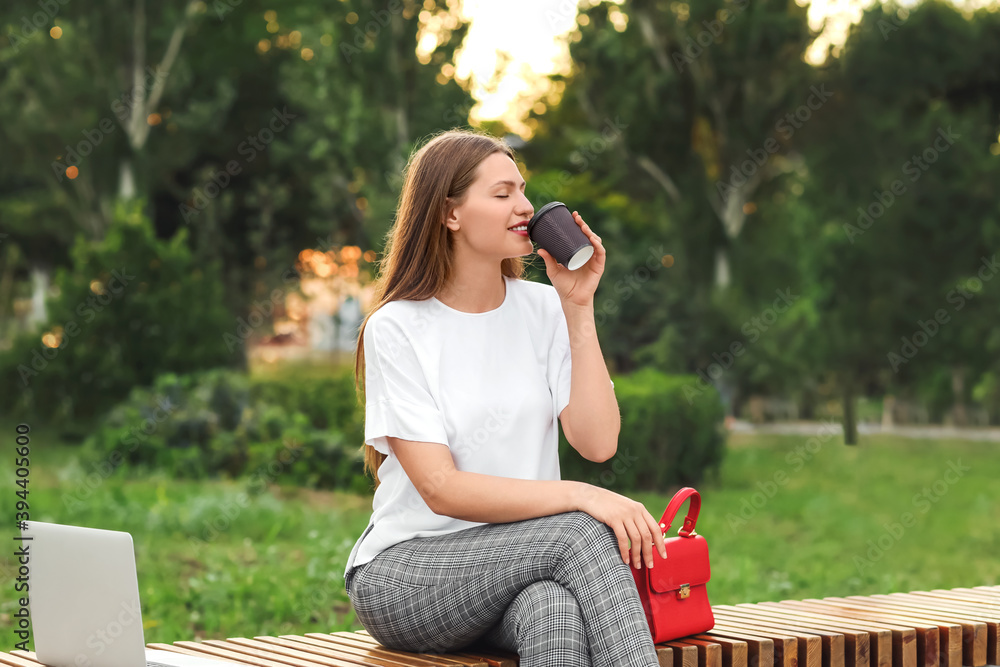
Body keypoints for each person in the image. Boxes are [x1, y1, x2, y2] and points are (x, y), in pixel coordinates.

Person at [343, 127, 667, 666]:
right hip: (407, 575)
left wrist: (579, 308)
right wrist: (584, 497)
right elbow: (441, 489)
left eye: (522, 190)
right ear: (450, 214)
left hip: (529, 567)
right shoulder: (397, 327)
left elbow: (598, 442)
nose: (525, 206)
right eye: (502, 194)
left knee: (552, 611)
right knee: (580, 535)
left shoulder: (544, 309)